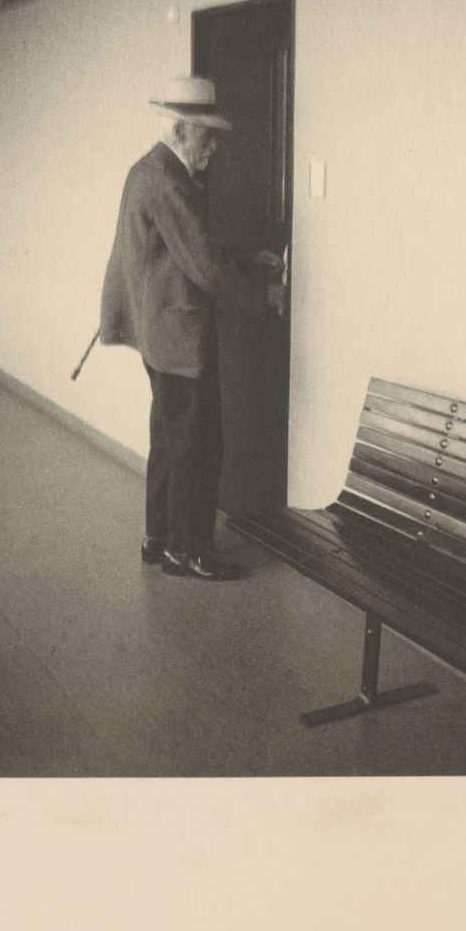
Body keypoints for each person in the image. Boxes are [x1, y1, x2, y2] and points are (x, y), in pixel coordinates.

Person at [99, 75, 286, 581]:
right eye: (206, 135)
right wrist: (263, 298)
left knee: (169, 438)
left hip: (159, 334)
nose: (214, 145)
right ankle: (189, 551)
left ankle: (157, 538)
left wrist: (247, 258)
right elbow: (202, 265)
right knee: (198, 445)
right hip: (178, 339)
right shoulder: (168, 180)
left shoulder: (150, 171)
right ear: (181, 131)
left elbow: (184, 250)